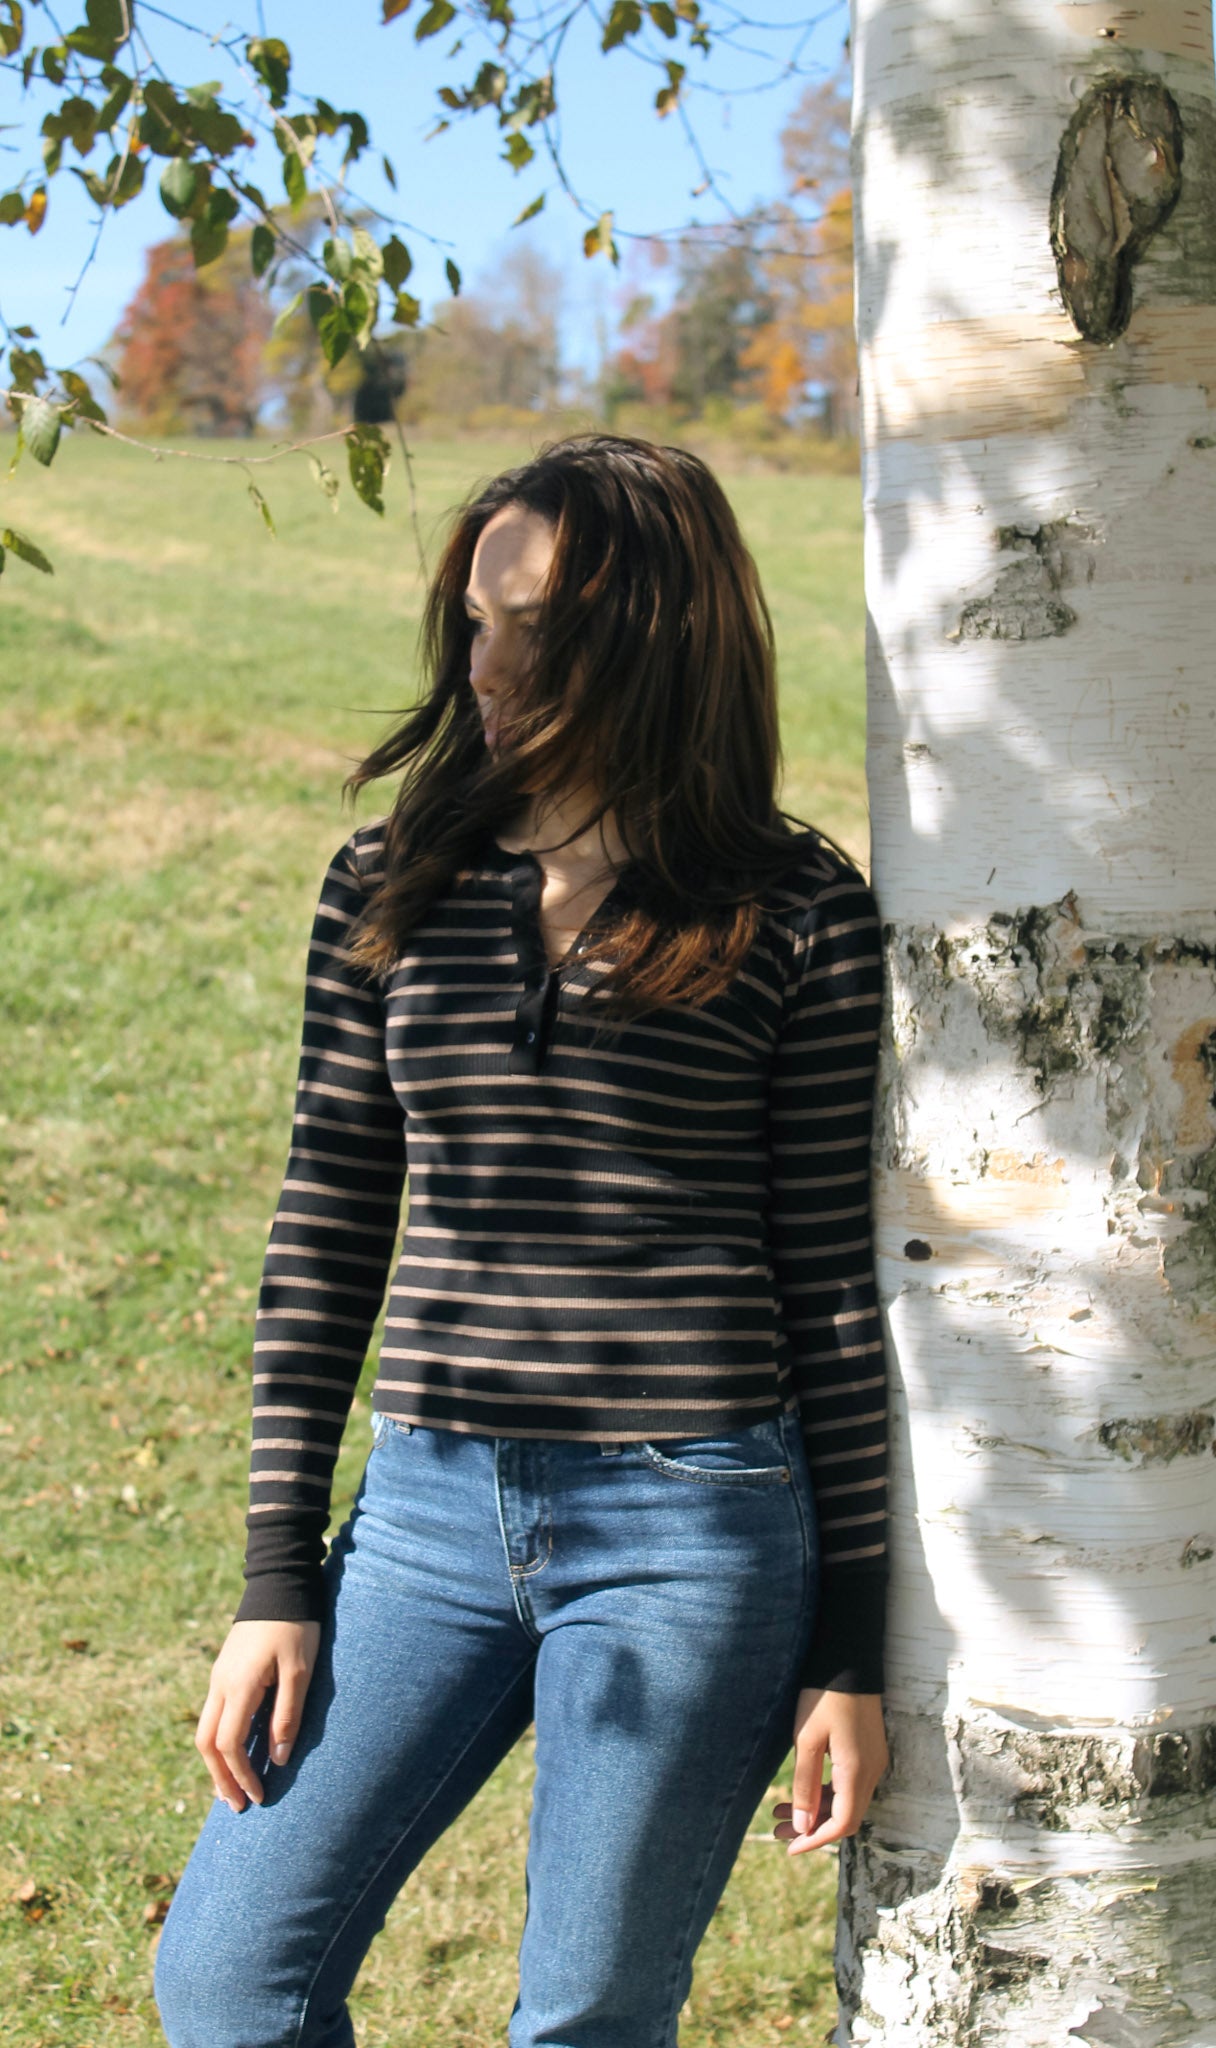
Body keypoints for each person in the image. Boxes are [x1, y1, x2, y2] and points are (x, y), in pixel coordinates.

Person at [154, 433, 891, 2048]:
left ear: (653, 638)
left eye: (534, 632)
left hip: (689, 1524)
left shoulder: (794, 911)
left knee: (584, 2016)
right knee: (225, 1979)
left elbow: (834, 1290)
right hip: (423, 1512)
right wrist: (277, 1578)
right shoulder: (392, 878)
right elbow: (323, 1226)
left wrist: (852, 1646)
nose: (484, 667)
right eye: (476, 623)